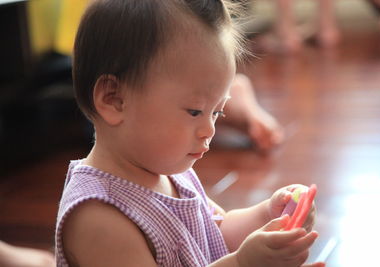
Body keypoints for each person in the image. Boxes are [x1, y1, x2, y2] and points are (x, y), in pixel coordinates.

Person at [55, 0, 324, 266]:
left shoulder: (170, 172)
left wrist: (269, 215)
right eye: (195, 111)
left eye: (217, 112)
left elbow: (216, 231)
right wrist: (243, 263)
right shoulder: (98, 215)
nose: (210, 129)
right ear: (115, 100)